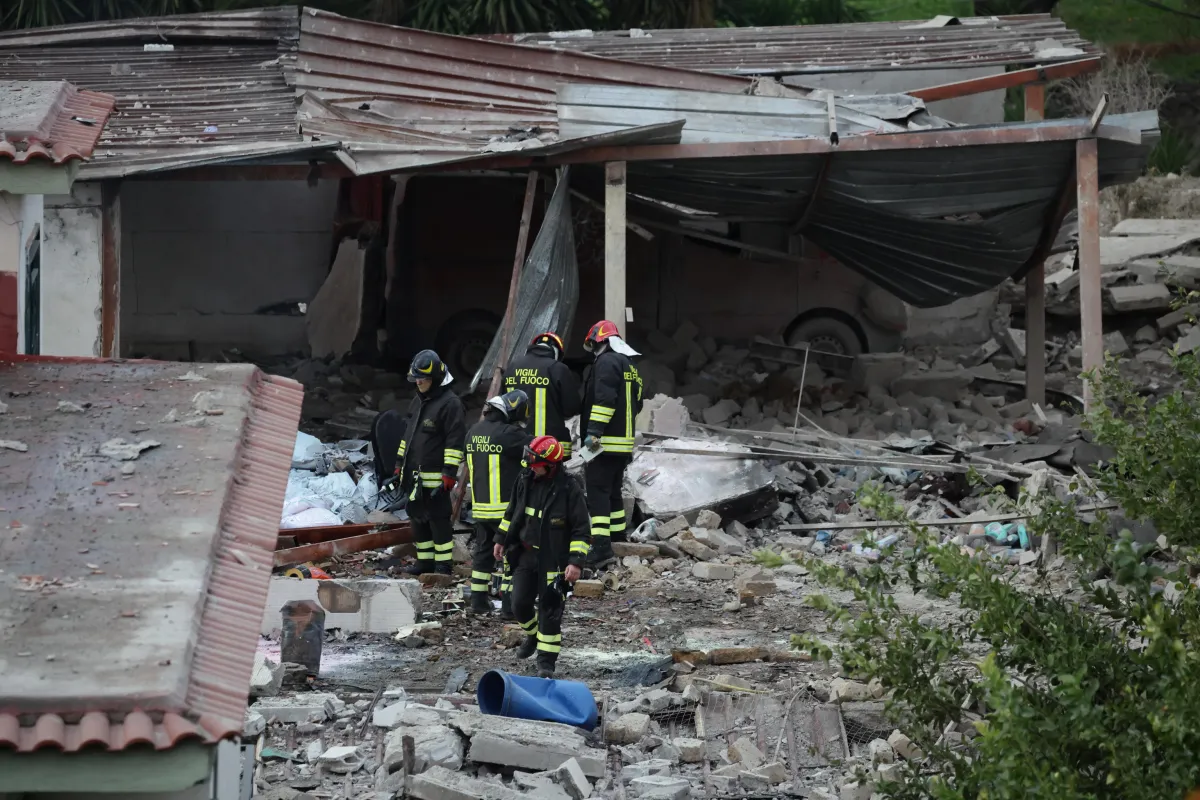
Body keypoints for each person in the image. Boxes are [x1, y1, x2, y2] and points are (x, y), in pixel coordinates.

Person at [494, 436, 590, 677]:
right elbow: (511, 513)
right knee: (518, 604)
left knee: (550, 612)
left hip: (554, 561)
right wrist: (500, 539)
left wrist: (575, 562)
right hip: (525, 554)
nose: (530, 465)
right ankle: (532, 636)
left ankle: (546, 663)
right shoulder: (524, 479)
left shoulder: (569, 488)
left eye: (535, 462)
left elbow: (581, 529)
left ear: (551, 465)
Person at [390, 350, 465, 575]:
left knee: (438, 522)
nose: (418, 382)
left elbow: (455, 442)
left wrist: (449, 473)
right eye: (416, 378)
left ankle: (443, 566)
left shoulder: (451, 404)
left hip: (436, 478)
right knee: (417, 519)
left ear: (436, 379)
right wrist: (399, 464)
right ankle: (425, 563)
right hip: (414, 476)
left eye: (423, 378)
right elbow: (408, 436)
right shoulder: (419, 401)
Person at [580, 320, 644, 568]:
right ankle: (618, 536)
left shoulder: (606, 362)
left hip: (603, 443)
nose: (594, 349)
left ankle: (601, 548)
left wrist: (594, 433)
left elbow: (604, 399)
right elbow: (637, 402)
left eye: (594, 344)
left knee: (597, 493)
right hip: (623, 444)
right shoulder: (630, 365)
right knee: (613, 492)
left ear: (601, 340)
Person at [465, 389, 533, 616]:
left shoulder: (474, 431)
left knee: (483, 556)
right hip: (505, 510)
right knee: (512, 557)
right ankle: (509, 608)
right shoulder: (509, 433)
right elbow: (536, 448)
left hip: (480, 508)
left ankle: (478, 602)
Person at [504, 332, 582, 457]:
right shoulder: (558, 368)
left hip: (516, 443)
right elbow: (571, 408)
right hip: (550, 447)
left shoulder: (512, 367)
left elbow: (502, 403)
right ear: (556, 351)